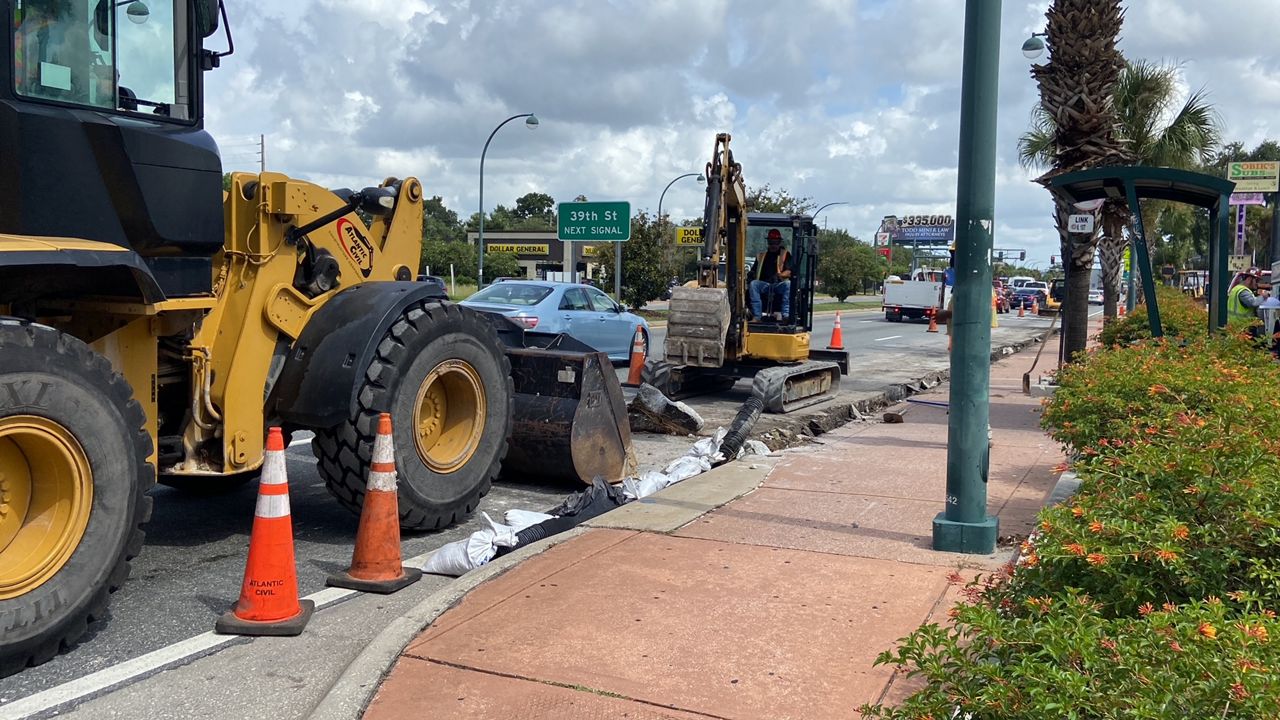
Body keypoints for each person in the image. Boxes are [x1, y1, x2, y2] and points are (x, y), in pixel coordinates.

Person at [749, 229, 792, 320]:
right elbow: (753, 271)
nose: (773, 245)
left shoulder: (785, 255)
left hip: (779, 284)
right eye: (771, 243)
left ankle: (786, 315)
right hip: (765, 284)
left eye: (776, 243)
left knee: (788, 284)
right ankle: (757, 316)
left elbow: (789, 271)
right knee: (753, 284)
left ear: (779, 242)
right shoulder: (761, 256)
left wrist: (781, 275)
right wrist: (750, 275)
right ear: (768, 242)